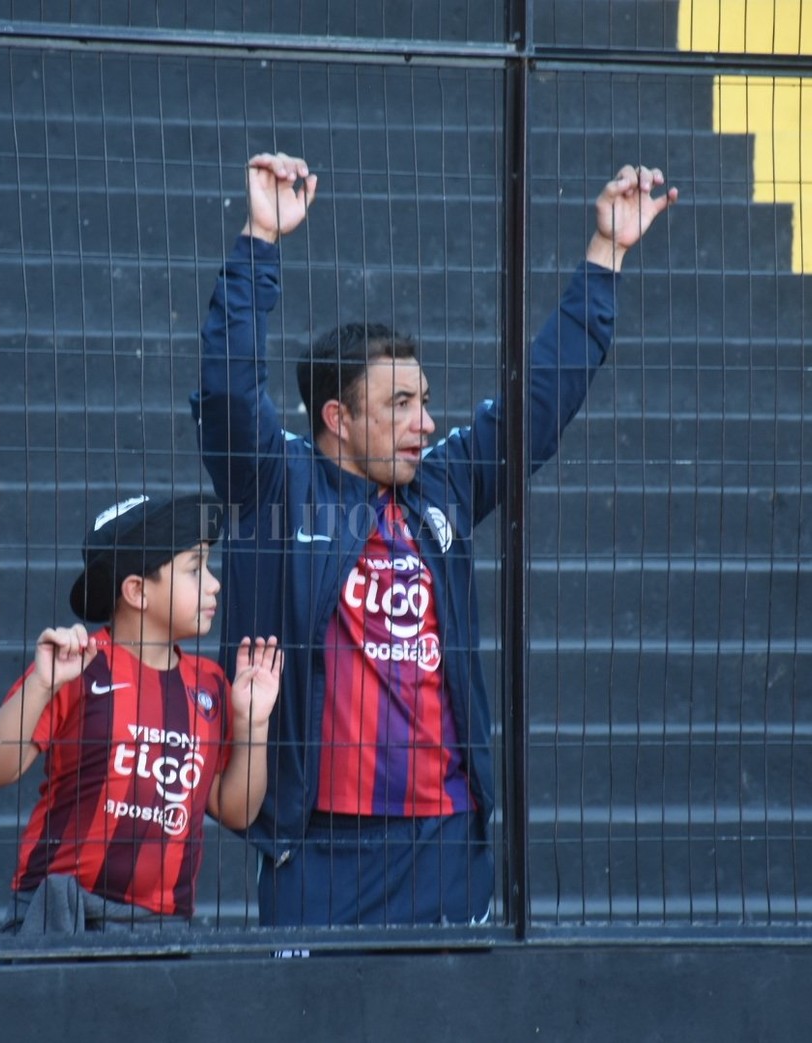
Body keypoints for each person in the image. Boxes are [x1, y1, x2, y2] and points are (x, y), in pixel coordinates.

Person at [191, 153, 676, 927]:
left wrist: (605, 255)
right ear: (337, 420)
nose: (426, 422)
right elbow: (224, 386)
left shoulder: (439, 490)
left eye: (426, 400)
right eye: (401, 404)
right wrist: (260, 239)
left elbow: (539, 402)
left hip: (443, 845)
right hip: (315, 852)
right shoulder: (276, 487)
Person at [0, 492, 283, 932]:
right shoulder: (76, 663)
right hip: (62, 917)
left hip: (165, 925)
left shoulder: (209, 684)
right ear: (136, 591)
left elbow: (236, 811)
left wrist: (253, 724)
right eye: (195, 569)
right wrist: (41, 684)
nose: (214, 584)